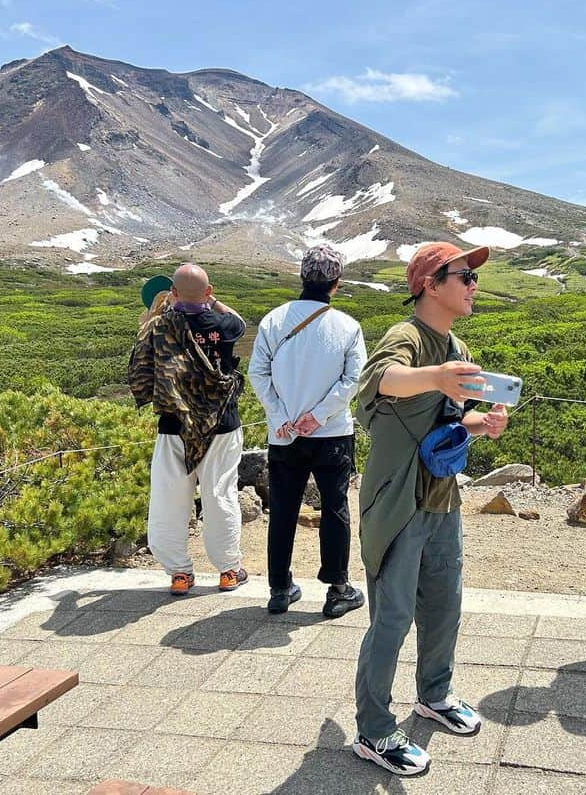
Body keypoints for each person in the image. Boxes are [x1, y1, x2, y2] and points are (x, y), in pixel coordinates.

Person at [351, 242, 509, 776]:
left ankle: (433, 695)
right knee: (391, 617)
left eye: (473, 278)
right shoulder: (407, 338)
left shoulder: (454, 344)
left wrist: (477, 424)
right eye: (464, 276)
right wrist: (439, 376)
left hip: (442, 498)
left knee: (445, 603)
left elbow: (441, 422)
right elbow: (378, 383)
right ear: (430, 284)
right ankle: (372, 730)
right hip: (397, 501)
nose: (473, 285)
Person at [247, 245, 368, 618]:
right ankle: (337, 589)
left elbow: (257, 373)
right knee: (334, 508)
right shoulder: (348, 327)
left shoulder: (273, 321)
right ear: (337, 282)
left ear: (301, 276)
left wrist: (281, 414)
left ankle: (279, 588)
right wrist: (318, 415)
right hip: (331, 433)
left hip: (284, 434)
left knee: (283, 509)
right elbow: (354, 379)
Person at [128, 263, 249, 595]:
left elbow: (139, 375)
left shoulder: (157, 327)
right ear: (208, 293)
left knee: (169, 499)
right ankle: (228, 570)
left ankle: (179, 574)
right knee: (220, 495)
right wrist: (211, 300)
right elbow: (239, 321)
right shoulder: (223, 324)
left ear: (173, 293)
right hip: (221, 425)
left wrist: (153, 316)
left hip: (174, 425)